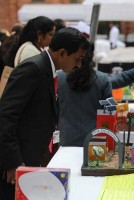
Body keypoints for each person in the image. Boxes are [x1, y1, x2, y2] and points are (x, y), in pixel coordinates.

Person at [0, 27, 89, 200]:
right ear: (63, 53)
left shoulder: (48, 69)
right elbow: (5, 116)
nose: (78, 64)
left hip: (31, 154)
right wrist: (13, 163)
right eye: (77, 59)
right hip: (17, 159)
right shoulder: (33, 68)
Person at [58, 43, 112, 146]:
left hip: (66, 139)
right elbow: (110, 111)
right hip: (95, 141)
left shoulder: (59, 78)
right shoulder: (103, 80)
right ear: (92, 55)